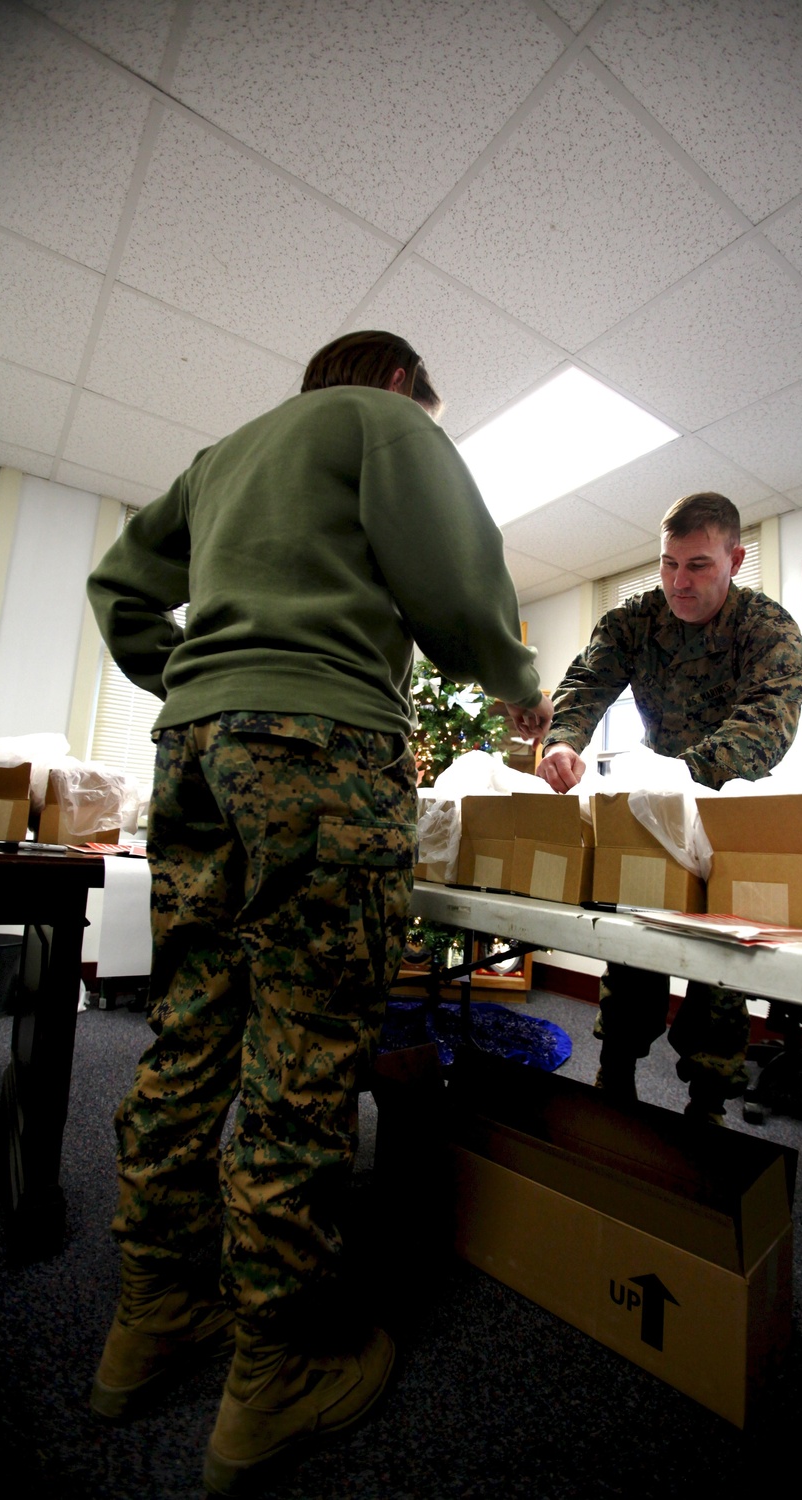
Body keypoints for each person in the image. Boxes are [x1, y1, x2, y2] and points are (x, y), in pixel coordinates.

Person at [86, 330, 552, 1495]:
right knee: (301, 1053)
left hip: (191, 753)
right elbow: (457, 594)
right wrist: (520, 686)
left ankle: (153, 1316)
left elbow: (121, 589)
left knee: (190, 1029)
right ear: (401, 385)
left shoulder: (220, 456)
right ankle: (277, 1370)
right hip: (322, 751)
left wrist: (199, 678)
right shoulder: (385, 425)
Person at [537, 491, 802, 1123]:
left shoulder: (766, 628)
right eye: (667, 564)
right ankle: (616, 1076)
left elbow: (767, 727)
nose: (678, 583)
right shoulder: (636, 621)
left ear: (735, 559)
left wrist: (680, 774)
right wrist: (562, 742)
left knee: (720, 970)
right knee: (632, 954)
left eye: (697, 566)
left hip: (725, 811)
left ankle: (708, 1105)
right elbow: (584, 684)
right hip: (654, 813)